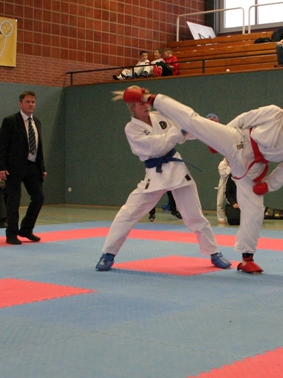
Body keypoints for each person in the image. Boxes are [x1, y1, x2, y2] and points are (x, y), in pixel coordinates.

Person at [123, 88, 283, 274]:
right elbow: (244, 119)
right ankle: (153, 98)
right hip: (238, 141)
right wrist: (219, 137)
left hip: (253, 168)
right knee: (195, 122)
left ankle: (247, 259)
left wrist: (269, 184)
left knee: (255, 210)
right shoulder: (273, 112)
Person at [95, 86, 231, 272]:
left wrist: (203, 125)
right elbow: (156, 147)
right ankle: (108, 254)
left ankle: (214, 253)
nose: (146, 106)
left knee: (195, 216)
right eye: (141, 104)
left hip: (177, 171)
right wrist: (181, 130)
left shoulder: (160, 117)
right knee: (127, 214)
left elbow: (185, 133)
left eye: (146, 102)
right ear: (132, 108)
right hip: (154, 175)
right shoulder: (132, 128)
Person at [0, 91, 46, 245]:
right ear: (20, 104)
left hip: (33, 166)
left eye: (33, 102)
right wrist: (1, 167)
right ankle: (11, 234)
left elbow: (39, 146)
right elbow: (0, 145)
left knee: (39, 198)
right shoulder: (10, 121)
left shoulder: (36, 122)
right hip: (14, 167)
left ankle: (26, 229)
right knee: (14, 201)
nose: (31, 104)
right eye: (27, 102)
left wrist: (42, 167)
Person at [216, 158, 230, 224]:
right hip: (223, 184)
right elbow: (224, 175)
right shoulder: (222, 164)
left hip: (232, 184)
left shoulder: (234, 162)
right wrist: (229, 167)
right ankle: (221, 218)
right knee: (220, 202)